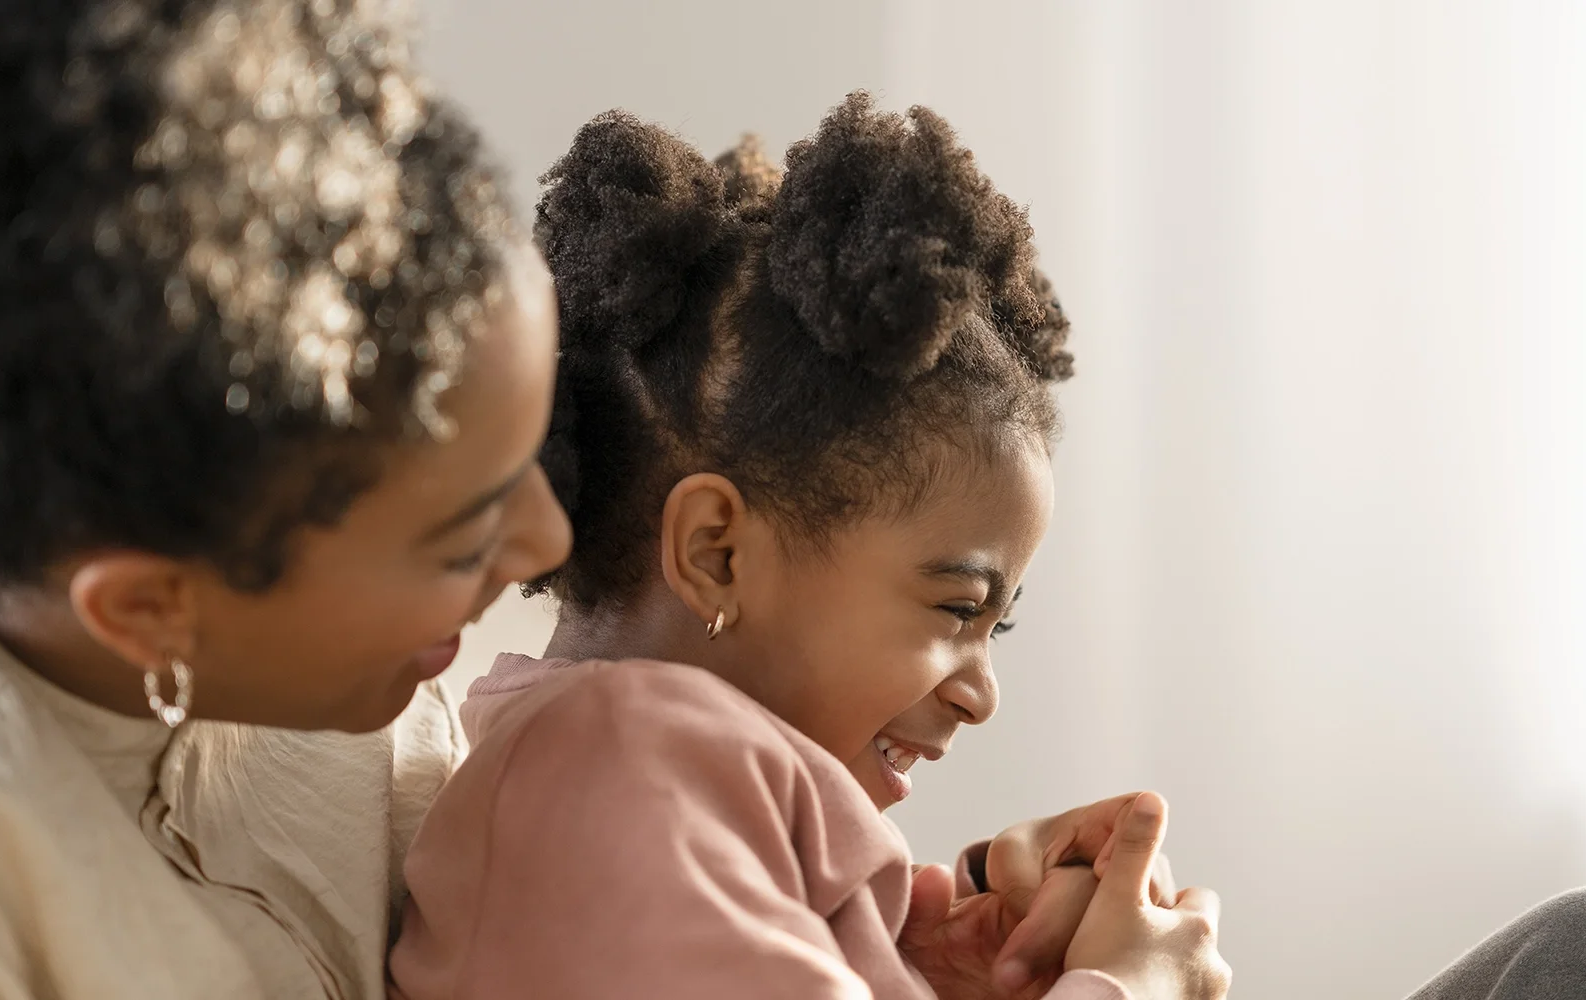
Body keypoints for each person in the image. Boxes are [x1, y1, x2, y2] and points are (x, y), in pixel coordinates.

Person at [0, 3, 1189, 997]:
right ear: (152, 605)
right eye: (461, 527)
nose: (547, 540)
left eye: (536, 456)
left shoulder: (383, 701)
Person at [388, 95, 1226, 1000]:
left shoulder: (647, 790)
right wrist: (1127, 989)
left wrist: (931, 967)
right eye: (956, 608)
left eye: (996, 627)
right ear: (717, 554)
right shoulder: (610, 769)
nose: (981, 695)